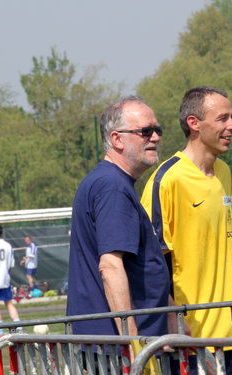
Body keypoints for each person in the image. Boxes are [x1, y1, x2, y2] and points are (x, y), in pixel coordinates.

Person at [141, 86, 232, 374]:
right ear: (194, 123)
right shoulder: (167, 179)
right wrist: (171, 317)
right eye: (223, 118)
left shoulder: (224, 172)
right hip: (188, 341)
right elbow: (148, 262)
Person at [66, 96, 170, 338]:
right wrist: (131, 342)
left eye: (157, 130)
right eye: (145, 131)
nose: (155, 137)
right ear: (117, 139)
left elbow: (143, 267)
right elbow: (110, 266)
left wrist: (173, 320)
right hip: (116, 349)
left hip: (125, 344)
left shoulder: (113, 183)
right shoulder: (111, 186)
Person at [0, 225, 21, 335]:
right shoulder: (7, 245)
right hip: (5, 278)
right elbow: (11, 264)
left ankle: (0, 330)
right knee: (9, 303)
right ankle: (18, 326)